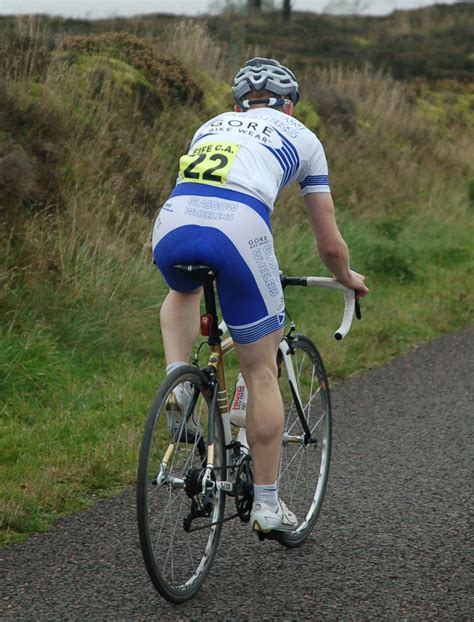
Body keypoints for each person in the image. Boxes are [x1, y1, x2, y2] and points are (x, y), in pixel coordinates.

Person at [152, 57, 369, 533]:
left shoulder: (211, 125)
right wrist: (346, 275)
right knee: (260, 366)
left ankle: (179, 380)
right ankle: (269, 505)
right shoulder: (304, 139)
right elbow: (329, 243)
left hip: (173, 220)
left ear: (237, 105)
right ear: (288, 107)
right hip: (239, 227)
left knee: (181, 289)